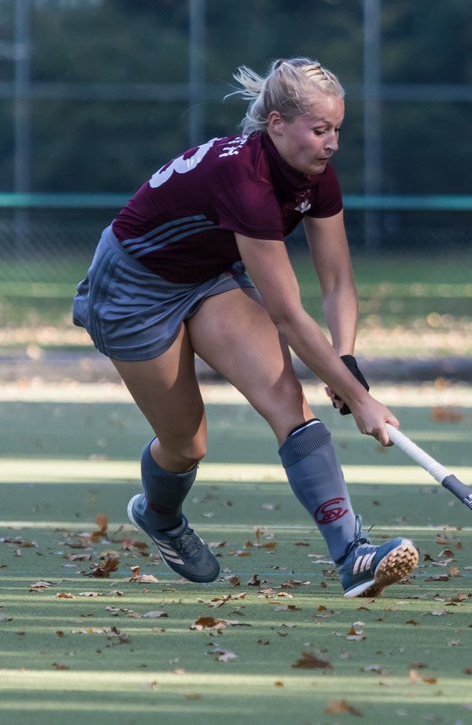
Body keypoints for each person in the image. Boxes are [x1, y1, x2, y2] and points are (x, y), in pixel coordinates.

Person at [72, 58, 420, 596]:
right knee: (187, 445)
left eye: (337, 131)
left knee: (289, 404)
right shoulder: (247, 181)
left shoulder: (315, 177)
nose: (332, 145)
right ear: (277, 123)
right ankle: (160, 515)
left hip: (207, 277)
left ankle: (352, 554)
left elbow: (337, 282)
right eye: (320, 130)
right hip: (133, 289)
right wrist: (360, 399)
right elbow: (287, 313)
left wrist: (344, 360)